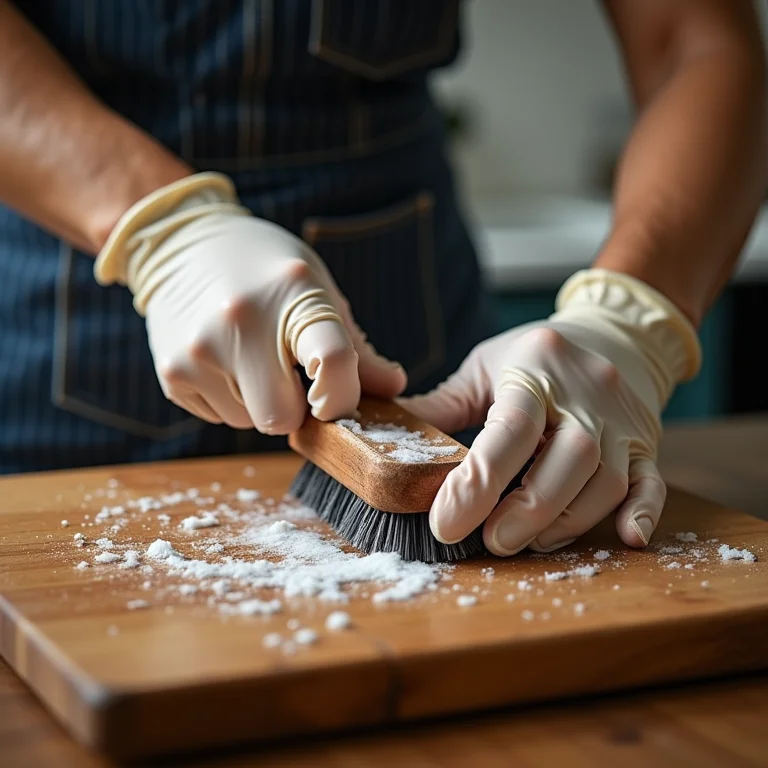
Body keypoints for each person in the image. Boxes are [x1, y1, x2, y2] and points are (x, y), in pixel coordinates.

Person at [0, 1, 765, 558]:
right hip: (65, 320)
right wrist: (163, 230)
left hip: (420, 322)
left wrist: (626, 317)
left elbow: (695, 41)